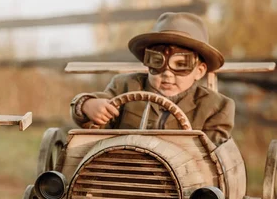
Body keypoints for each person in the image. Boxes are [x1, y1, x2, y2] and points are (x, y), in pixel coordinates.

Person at [70, 12, 234, 146]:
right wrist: (86, 105)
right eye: (158, 62)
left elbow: (214, 159)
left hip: (184, 181)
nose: (167, 73)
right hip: (122, 172)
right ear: (147, 63)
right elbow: (100, 106)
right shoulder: (125, 86)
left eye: (181, 64)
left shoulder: (216, 107)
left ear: (199, 71)